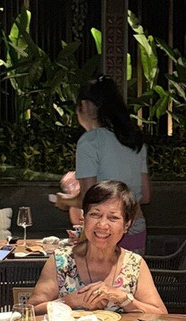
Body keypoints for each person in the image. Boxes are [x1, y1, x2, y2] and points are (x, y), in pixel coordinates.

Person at [30, 181, 167, 315]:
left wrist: (122, 298)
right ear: (84, 218)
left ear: (126, 225)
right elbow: (31, 310)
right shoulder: (61, 261)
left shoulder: (134, 264)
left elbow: (161, 314)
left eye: (113, 218)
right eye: (95, 215)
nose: (102, 225)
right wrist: (70, 300)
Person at [55, 75, 151, 253]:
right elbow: (144, 196)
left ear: (84, 105)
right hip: (135, 227)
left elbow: (88, 198)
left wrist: (65, 200)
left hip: (104, 233)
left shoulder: (90, 141)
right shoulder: (134, 141)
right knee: (130, 272)